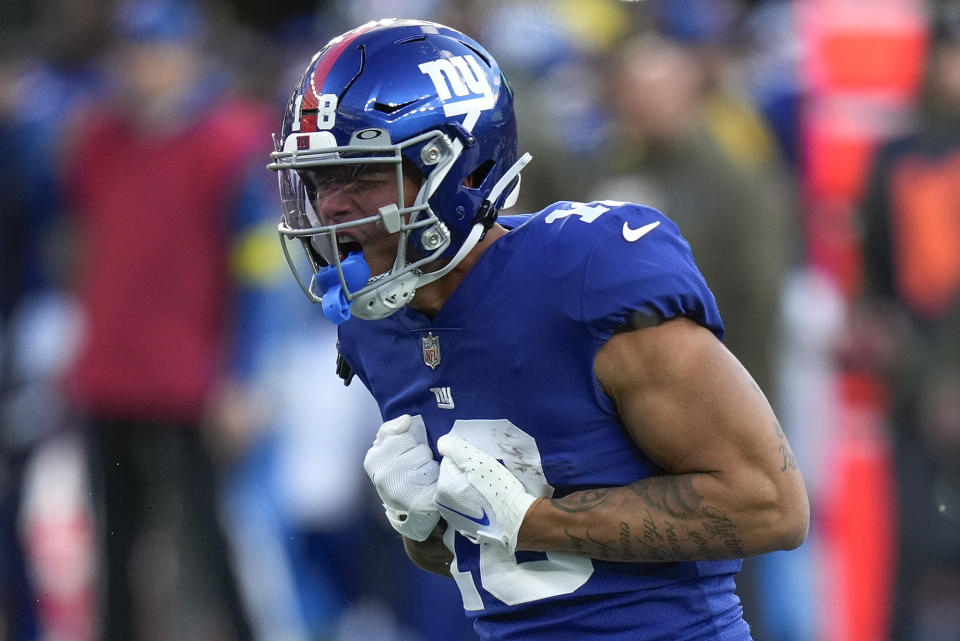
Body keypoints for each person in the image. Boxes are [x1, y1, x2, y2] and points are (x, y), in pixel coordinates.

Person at [267, 18, 809, 641]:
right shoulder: (379, 326)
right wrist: (424, 530)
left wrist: (536, 521)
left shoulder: (587, 274)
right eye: (319, 180)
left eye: (361, 176)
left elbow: (770, 504)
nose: (331, 207)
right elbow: (497, 560)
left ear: (457, 169)